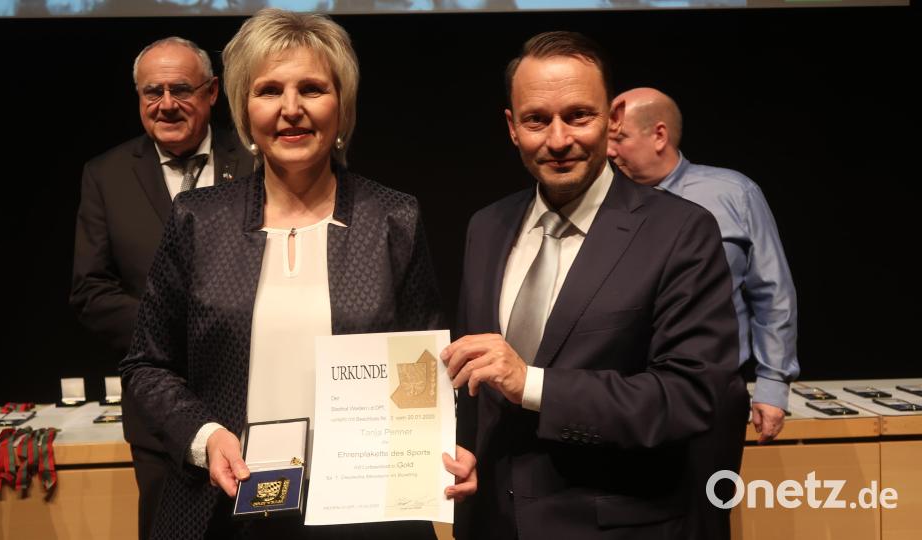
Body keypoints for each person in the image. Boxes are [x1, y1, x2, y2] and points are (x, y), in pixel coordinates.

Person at [119, 9, 474, 539]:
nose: (291, 110)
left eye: (311, 88)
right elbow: (147, 364)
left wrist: (440, 443)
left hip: (365, 513)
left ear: (342, 106)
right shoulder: (199, 219)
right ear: (243, 107)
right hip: (227, 508)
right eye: (269, 90)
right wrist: (205, 436)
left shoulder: (393, 218)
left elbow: (426, 368)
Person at [442, 31, 742, 539]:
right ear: (513, 127)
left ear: (612, 120)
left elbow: (690, 397)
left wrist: (532, 384)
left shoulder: (680, 232)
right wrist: (462, 451)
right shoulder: (486, 227)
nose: (558, 140)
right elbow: (477, 381)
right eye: (537, 119)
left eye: (578, 115)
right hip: (492, 523)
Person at [70, 36, 255, 540]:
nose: (166, 104)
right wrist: (175, 332)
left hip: (259, 403)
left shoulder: (259, 161)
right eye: (152, 92)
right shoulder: (106, 175)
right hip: (158, 417)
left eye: (181, 89)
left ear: (213, 92)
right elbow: (91, 291)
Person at [608, 87, 799, 442]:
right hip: (625, 391)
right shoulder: (605, 205)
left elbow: (772, 293)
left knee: (709, 495)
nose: (608, 151)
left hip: (712, 390)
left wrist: (773, 383)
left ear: (659, 135)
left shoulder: (732, 194)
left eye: (619, 138)